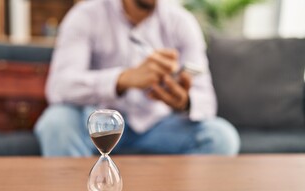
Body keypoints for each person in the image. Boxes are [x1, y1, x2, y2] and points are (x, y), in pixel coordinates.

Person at [35, 0, 240, 156]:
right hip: (98, 124)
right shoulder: (85, 15)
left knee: (221, 137)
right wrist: (123, 79)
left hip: (159, 126)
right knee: (56, 123)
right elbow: (59, 87)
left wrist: (183, 102)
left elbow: (206, 102)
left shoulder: (182, 22)